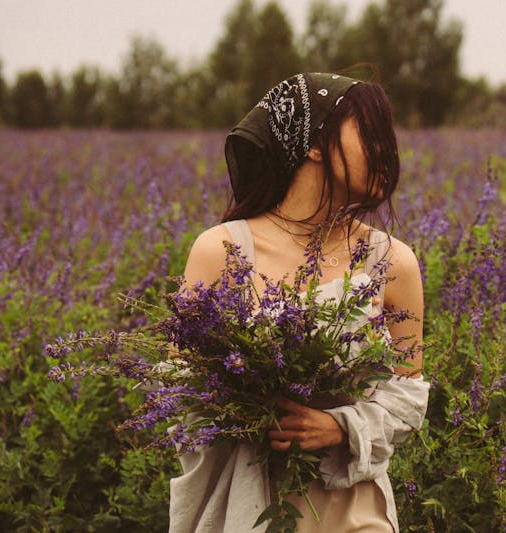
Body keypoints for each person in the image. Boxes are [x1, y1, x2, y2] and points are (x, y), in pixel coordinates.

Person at [169, 72, 430, 533]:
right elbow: (178, 393)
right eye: (368, 134)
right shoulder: (222, 251)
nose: (386, 152)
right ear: (314, 143)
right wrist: (251, 409)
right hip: (246, 504)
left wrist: (339, 427)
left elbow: (407, 399)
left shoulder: (393, 262)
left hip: (352, 505)